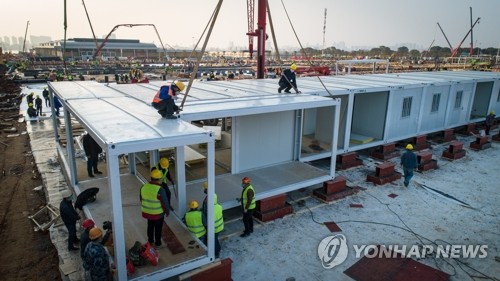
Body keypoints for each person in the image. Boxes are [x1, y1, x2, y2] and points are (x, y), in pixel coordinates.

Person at [140, 169, 169, 247]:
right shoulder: (160, 190)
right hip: (157, 214)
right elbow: (165, 203)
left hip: (147, 212)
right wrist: (167, 212)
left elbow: (141, 199)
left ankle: (150, 241)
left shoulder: (144, 186)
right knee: (158, 228)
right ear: (160, 179)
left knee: (150, 226)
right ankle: (158, 243)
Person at [200, 182, 224, 258]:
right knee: (212, 238)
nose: (203, 189)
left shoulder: (209, 204)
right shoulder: (214, 200)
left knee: (214, 240)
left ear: (206, 189)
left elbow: (207, 213)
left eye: (204, 188)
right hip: (218, 226)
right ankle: (213, 248)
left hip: (214, 227)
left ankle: (216, 252)